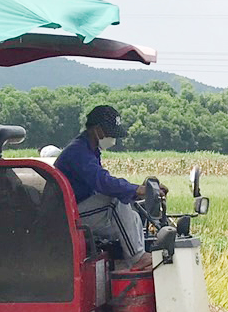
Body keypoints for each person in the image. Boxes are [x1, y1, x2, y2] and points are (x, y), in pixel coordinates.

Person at [55, 105, 160, 271]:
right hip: (66, 217)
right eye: (111, 133)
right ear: (97, 130)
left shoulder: (90, 150)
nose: (113, 138)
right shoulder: (78, 152)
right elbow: (102, 182)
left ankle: (131, 260)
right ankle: (137, 257)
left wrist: (137, 194)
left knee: (131, 213)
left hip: (79, 210)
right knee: (115, 200)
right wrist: (136, 189)